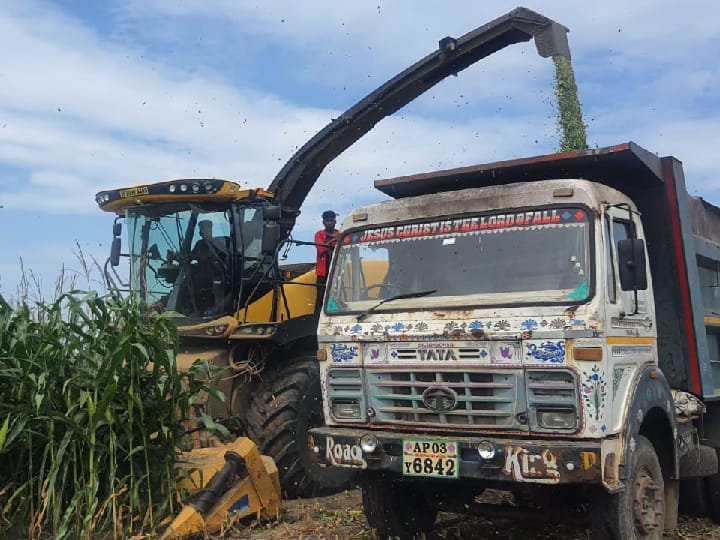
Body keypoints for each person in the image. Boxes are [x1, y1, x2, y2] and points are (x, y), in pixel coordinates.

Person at [315, 210, 339, 286]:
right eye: (327, 221)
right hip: (323, 273)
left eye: (331, 220)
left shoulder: (341, 234)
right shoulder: (319, 234)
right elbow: (321, 249)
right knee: (321, 296)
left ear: (335, 221)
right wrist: (334, 239)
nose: (329, 223)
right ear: (323, 222)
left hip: (337, 271)